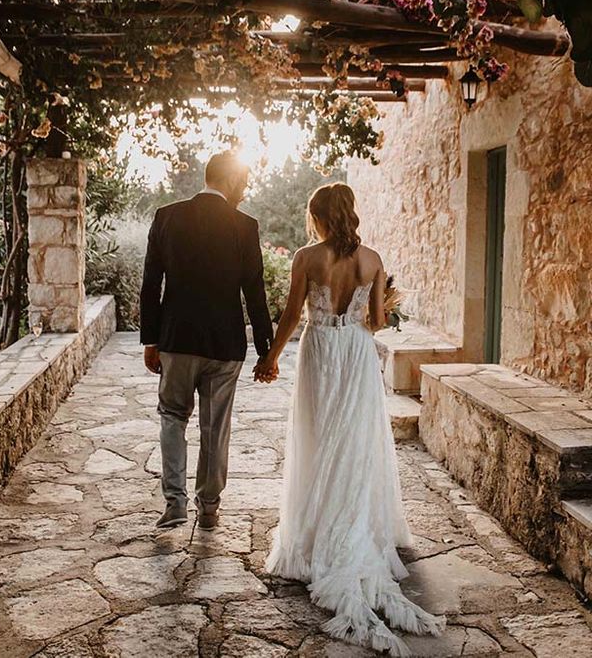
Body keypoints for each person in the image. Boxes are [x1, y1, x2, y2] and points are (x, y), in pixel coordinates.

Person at [255, 183, 445, 657]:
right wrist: (380, 302)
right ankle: (353, 530)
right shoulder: (373, 260)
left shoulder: (306, 258)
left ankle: (316, 534)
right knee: (355, 443)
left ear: (317, 216)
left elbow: (292, 314)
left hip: (320, 352)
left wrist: (271, 358)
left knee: (318, 440)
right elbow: (377, 322)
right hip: (357, 356)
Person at [139, 151, 274, 530]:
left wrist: (151, 339)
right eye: (243, 182)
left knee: (172, 418)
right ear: (229, 180)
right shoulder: (245, 226)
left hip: (177, 339)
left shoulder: (167, 217)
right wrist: (266, 349)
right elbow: (255, 291)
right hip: (225, 344)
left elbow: (151, 285)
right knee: (215, 427)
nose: (245, 190)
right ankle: (210, 507)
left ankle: (175, 503)